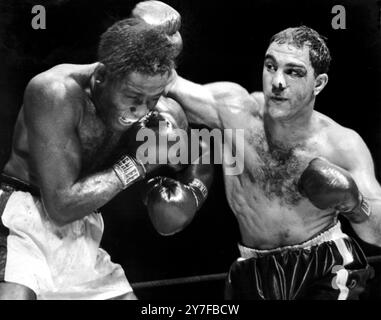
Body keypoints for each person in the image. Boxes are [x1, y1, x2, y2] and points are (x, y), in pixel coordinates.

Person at [133, 2, 381, 299]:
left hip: (328, 264)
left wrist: (355, 204)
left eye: (294, 72)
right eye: (271, 66)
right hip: (252, 270)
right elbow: (167, 82)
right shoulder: (234, 111)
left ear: (319, 83)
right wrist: (154, 43)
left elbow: (376, 232)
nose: (277, 81)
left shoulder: (341, 144)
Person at [0, 16, 194, 299]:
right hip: (21, 218)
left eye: (153, 98)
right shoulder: (56, 93)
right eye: (133, 96)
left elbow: (189, 158)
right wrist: (142, 162)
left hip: (83, 227)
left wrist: (179, 171)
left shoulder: (162, 111)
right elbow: (61, 205)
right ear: (102, 76)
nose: (142, 110)